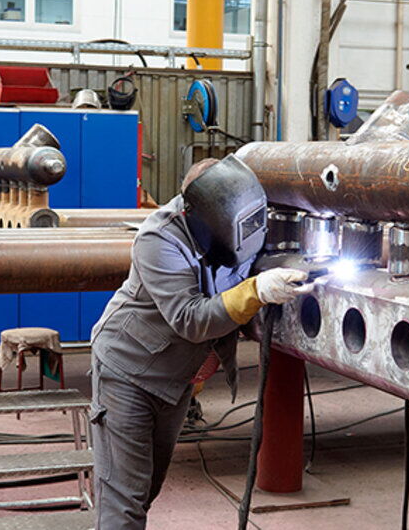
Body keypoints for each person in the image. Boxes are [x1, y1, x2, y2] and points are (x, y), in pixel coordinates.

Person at [90, 155, 313, 529]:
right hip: (127, 372)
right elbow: (190, 319)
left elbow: (252, 264)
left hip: (176, 379)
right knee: (124, 503)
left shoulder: (242, 223)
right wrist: (256, 290)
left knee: (146, 489)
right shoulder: (158, 239)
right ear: (199, 213)